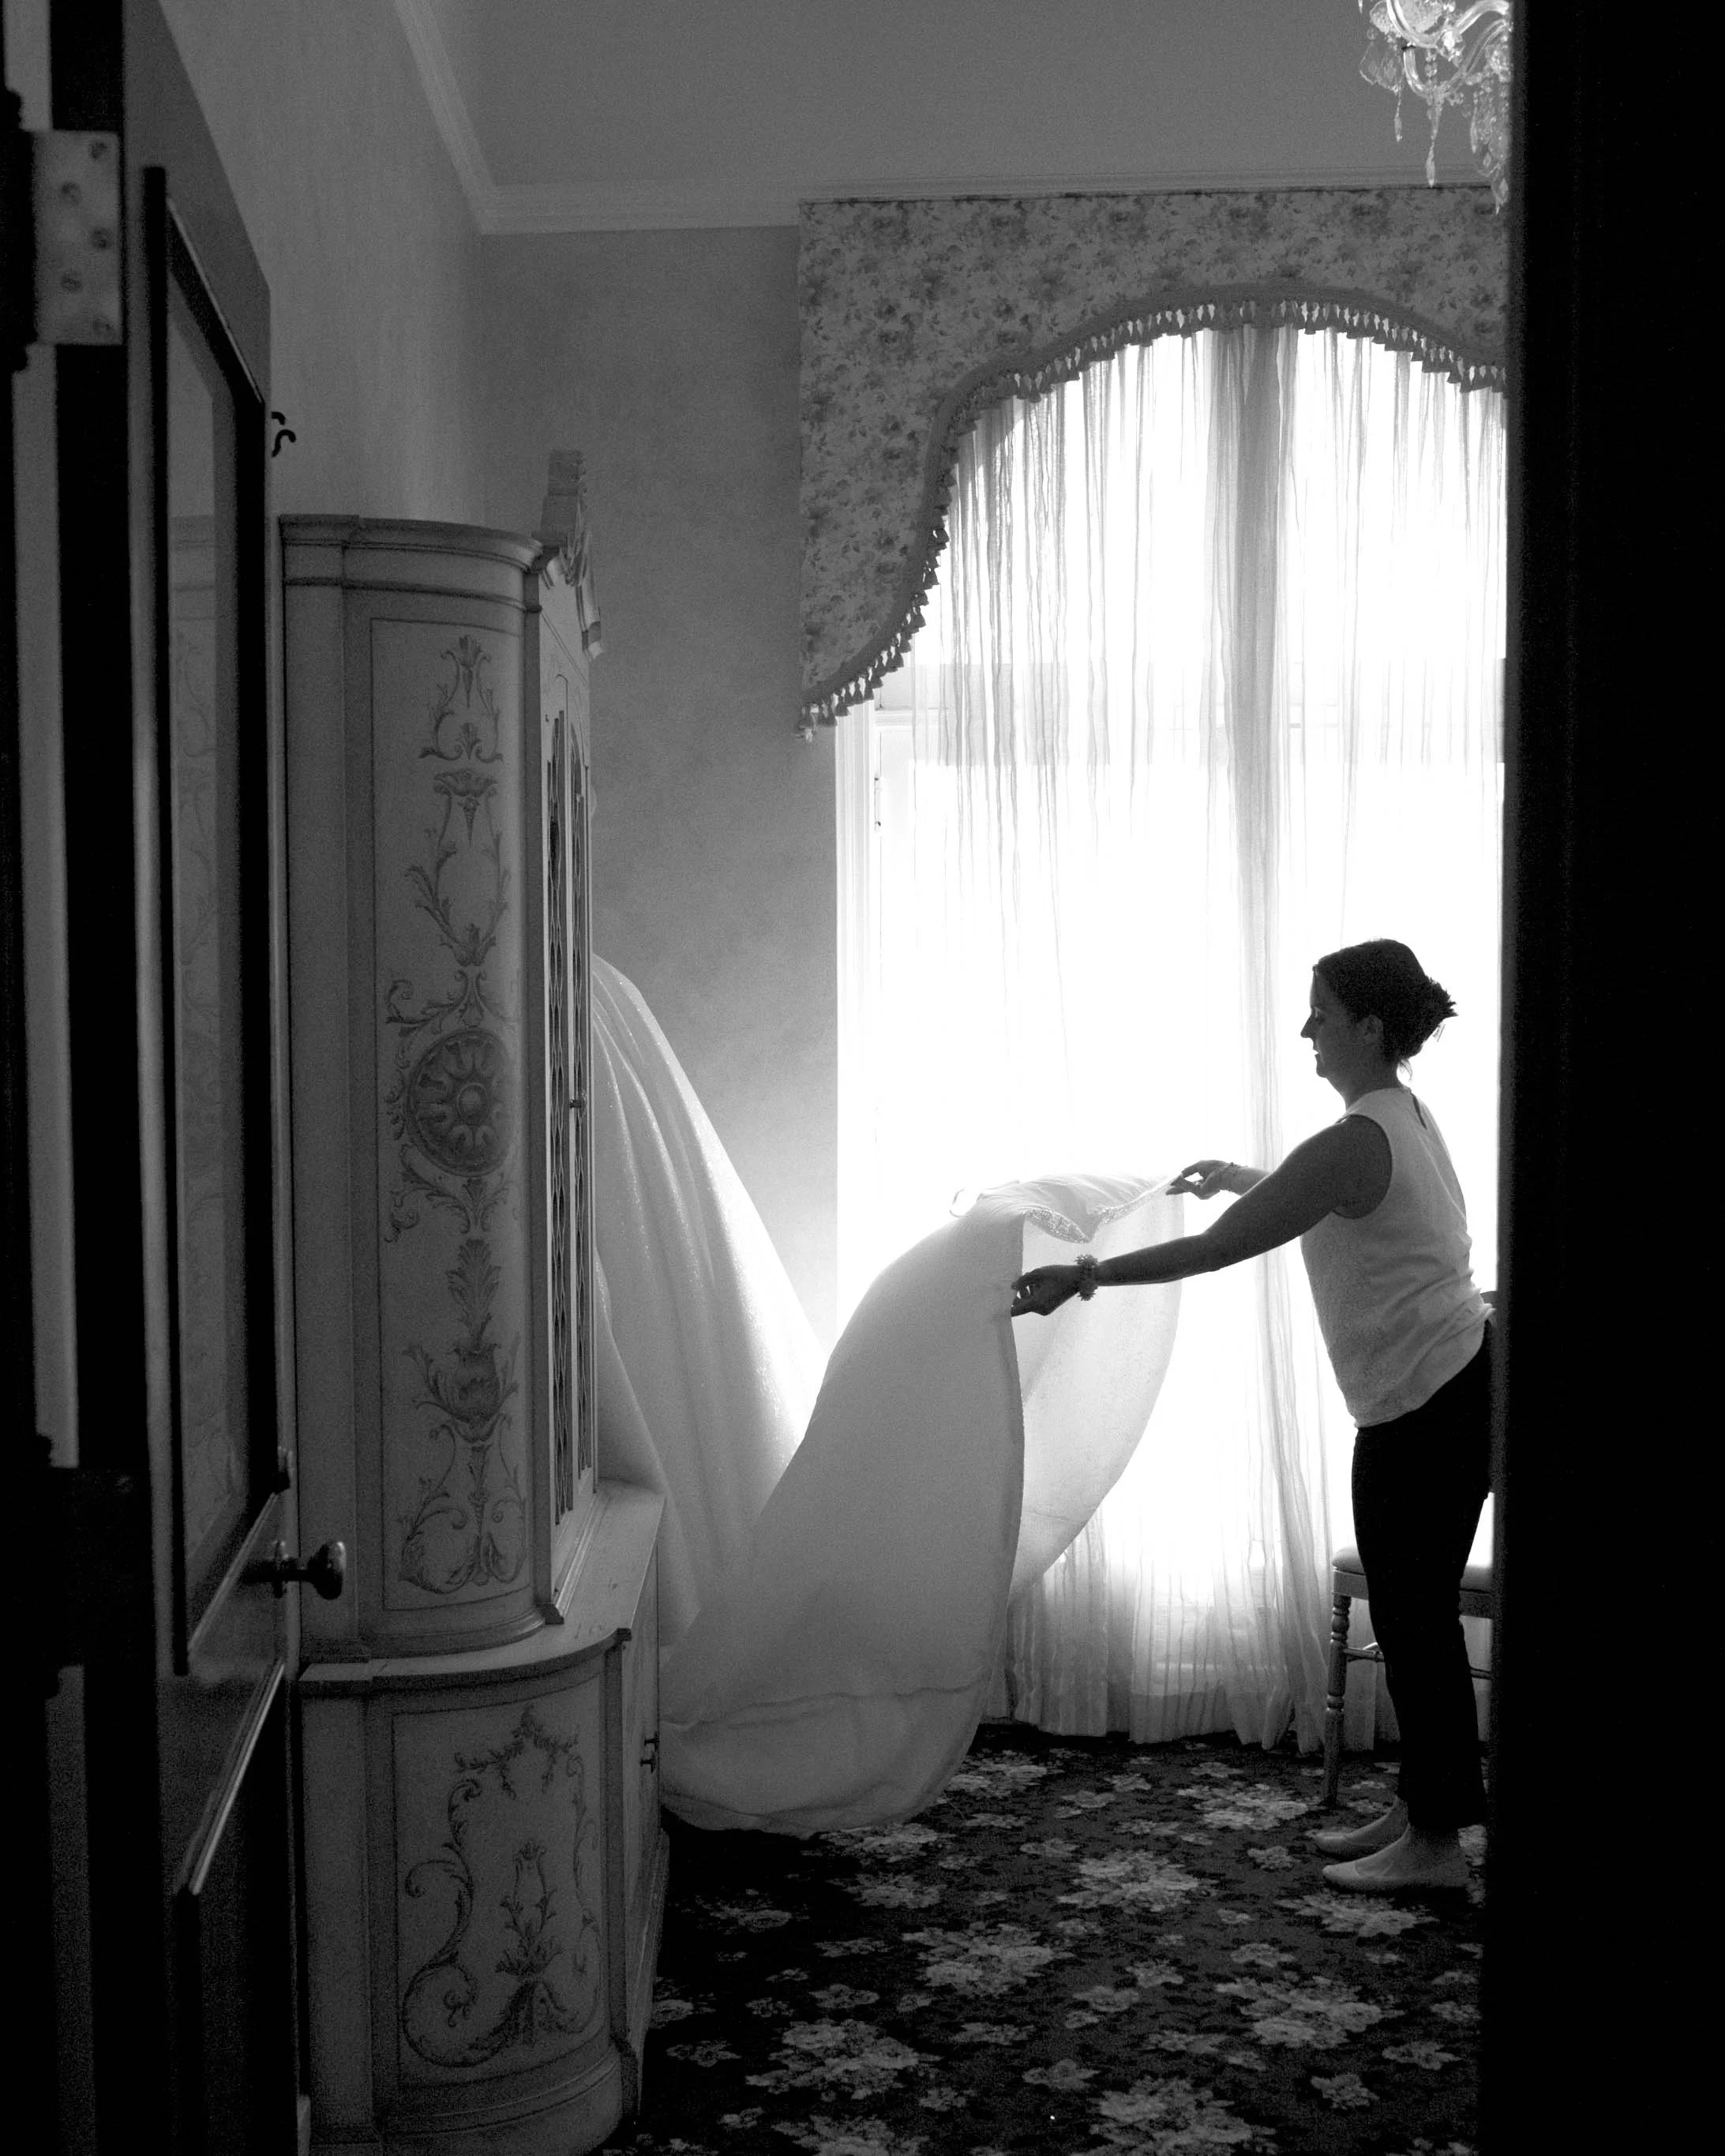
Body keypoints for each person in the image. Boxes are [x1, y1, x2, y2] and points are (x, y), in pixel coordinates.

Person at [1011, 939, 1493, 1894]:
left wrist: (1089, 1273)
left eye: (1321, 1012)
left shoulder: (1357, 1136)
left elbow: (1230, 1246)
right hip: (1448, 1387)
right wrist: (1245, 1173)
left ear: (1367, 1024)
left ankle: (1434, 1847)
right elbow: (1317, 1198)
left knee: (1416, 1621)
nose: (1306, 1029)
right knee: (1413, 1619)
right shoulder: (1396, 1118)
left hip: (1426, 1404)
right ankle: (1417, 1811)